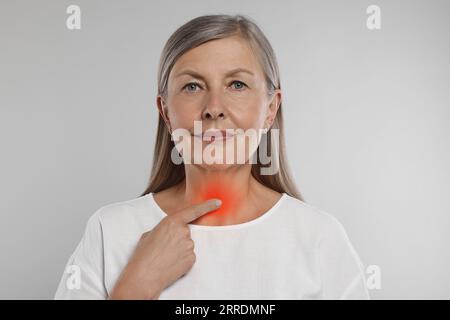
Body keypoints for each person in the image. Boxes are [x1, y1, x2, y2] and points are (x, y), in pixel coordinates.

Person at [54, 14, 370, 300]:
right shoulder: (110, 231)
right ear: (165, 111)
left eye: (237, 84)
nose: (214, 107)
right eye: (192, 86)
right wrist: (136, 288)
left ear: (270, 108)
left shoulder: (320, 238)